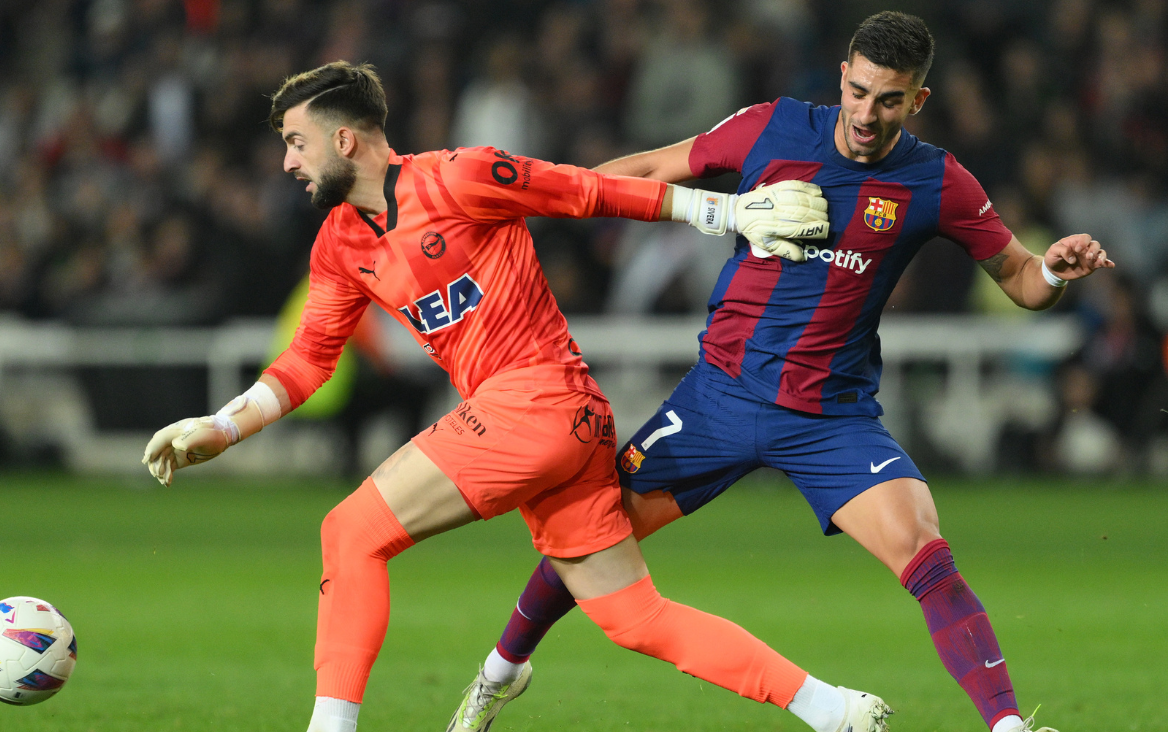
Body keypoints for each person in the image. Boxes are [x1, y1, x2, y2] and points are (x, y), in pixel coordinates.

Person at [139, 61, 893, 732]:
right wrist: (223, 426)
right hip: (566, 421)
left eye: (296, 143)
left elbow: (583, 190)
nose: (286, 162)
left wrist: (723, 212)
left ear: (344, 141)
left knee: (349, 532)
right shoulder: (341, 243)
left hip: (530, 403)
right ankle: (833, 709)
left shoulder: (457, 176)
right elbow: (308, 358)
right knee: (635, 618)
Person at [453, 12, 1113, 732]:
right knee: (591, 537)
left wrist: (1054, 269)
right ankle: (500, 673)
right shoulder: (774, 127)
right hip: (718, 400)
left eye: (889, 100)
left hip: (831, 419)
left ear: (918, 100)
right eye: (858, 92)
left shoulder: (935, 180)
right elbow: (648, 172)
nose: (867, 115)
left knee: (927, 553)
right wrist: (537, 197)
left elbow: (1019, 277)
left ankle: (1009, 728)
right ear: (843, 75)